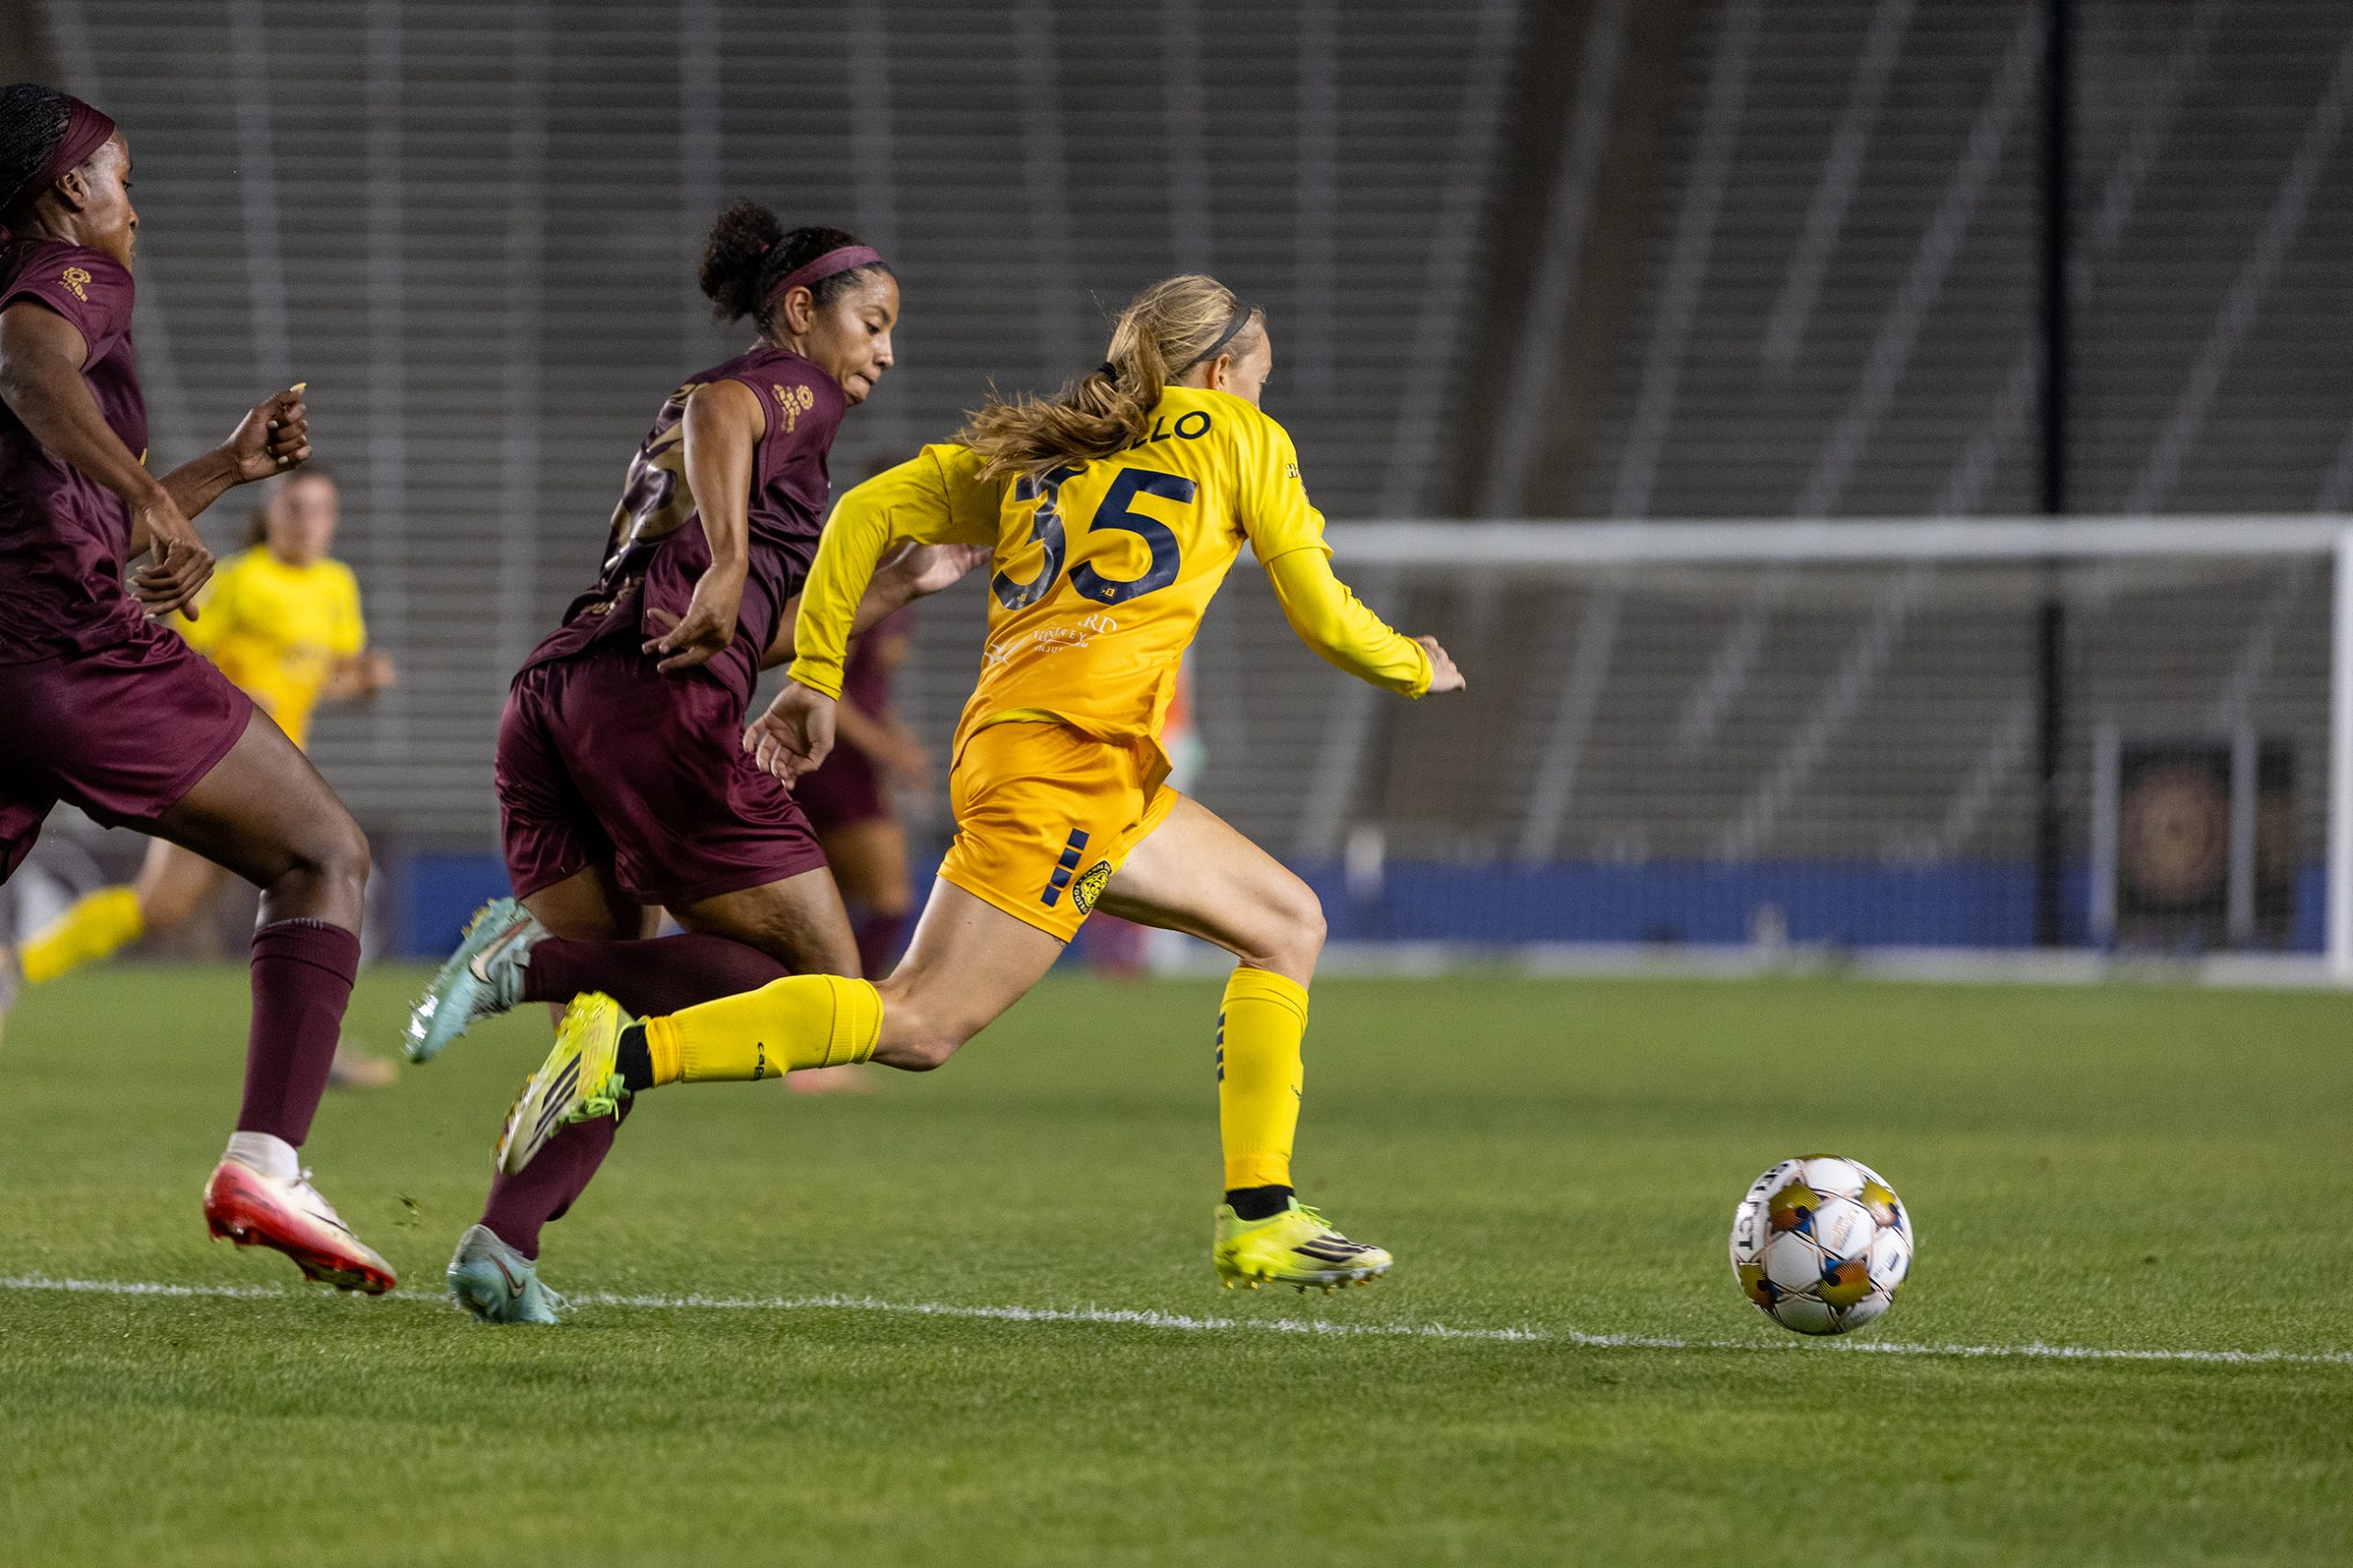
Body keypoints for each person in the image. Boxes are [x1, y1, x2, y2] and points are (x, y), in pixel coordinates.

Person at [498, 274, 1464, 1295]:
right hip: (1067, 767)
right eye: (1260, 379)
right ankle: (622, 1054)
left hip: (1049, 752)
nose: (1262, 399)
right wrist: (1413, 662)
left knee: (1284, 920)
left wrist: (817, 673)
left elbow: (866, 510)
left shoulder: (1054, 443)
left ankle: (1259, 1214)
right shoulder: (1240, 436)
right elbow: (1323, 613)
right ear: (1223, 373)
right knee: (917, 1024)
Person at [401, 204, 979, 1322]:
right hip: (654, 713)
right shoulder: (780, 384)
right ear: (805, 310)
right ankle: (527, 963)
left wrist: (891, 588)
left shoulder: (764, 434)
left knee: (621, 1002)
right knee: (826, 986)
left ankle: (500, 1242)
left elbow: (731, 626)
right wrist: (724, 560)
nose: (884, 352)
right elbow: (720, 411)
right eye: (873, 322)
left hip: (563, 694)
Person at [0, 84, 392, 1292]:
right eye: (122, 172)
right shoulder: (65, 277)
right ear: (70, 187)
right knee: (324, 852)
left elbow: (58, 513)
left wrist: (218, 466)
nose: (136, 202)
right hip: (77, 657)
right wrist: (156, 500)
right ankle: (265, 1162)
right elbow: (31, 372)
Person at [17, 468, 399, 1087]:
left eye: (321, 510)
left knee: (188, 904)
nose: (307, 522)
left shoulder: (336, 584)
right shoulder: (241, 580)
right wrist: (242, 692)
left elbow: (327, 675)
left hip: (280, 771)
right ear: (272, 513)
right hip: (219, 761)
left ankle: (17, 966)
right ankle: (16, 965)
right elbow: (179, 658)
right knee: (308, 882)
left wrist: (366, 679)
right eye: (295, 508)